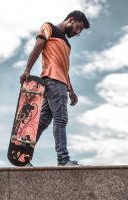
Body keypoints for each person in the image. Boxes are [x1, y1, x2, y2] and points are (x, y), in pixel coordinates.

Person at [20, 10, 90, 166]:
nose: (77, 32)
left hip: (60, 83)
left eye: (80, 31)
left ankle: (23, 157)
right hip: (53, 80)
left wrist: (71, 90)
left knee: (43, 121)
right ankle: (63, 159)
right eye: (78, 28)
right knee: (61, 118)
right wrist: (27, 70)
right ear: (71, 20)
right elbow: (38, 46)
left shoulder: (67, 44)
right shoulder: (49, 27)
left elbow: (64, 69)